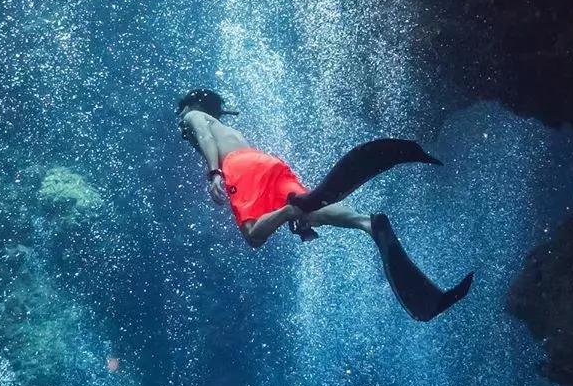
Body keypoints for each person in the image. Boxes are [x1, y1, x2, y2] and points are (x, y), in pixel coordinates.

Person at [177, 88, 473, 321]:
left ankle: (294, 210)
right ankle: (366, 223)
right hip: (268, 163)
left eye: (182, 109)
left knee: (254, 235)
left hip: (239, 166)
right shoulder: (227, 128)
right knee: (312, 206)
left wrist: (214, 172)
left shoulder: (193, 118)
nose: (181, 120)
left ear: (193, 105)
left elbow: (204, 138)